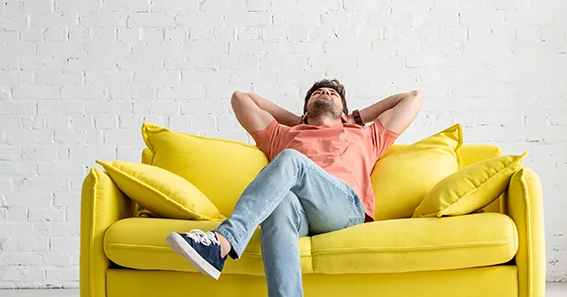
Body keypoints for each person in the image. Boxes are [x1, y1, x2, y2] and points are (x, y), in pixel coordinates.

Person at [166, 79, 422, 297]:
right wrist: (298, 121)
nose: (325, 94)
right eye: (317, 93)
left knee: (291, 159)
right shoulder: (284, 135)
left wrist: (356, 118)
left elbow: (413, 97)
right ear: (305, 108)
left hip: (344, 208)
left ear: (344, 110)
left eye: (332, 94)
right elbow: (240, 98)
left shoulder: (366, 135)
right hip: (299, 214)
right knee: (280, 205)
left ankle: (222, 241)